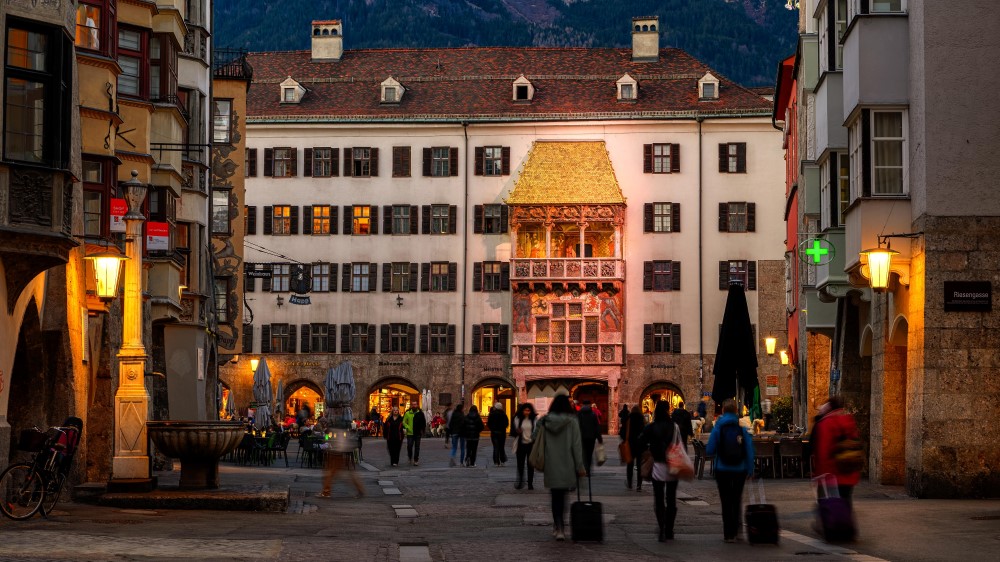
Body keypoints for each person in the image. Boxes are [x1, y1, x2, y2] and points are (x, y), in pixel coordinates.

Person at [532, 394, 586, 541]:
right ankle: (562, 528)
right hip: (567, 463)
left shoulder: (544, 420)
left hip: (551, 462)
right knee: (564, 496)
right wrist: (580, 465)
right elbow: (576, 446)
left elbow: (534, 437)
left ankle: (557, 526)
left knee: (555, 496)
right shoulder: (572, 421)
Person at [705, 399, 755, 543]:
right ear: (736, 412)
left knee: (726, 502)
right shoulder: (742, 427)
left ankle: (729, 534)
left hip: (722, 469)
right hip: (740, 469)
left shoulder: (718, 428)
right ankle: (738, 531)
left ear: (723, 411)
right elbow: (749, 450)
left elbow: (709, 449)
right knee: (736, 499)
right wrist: (750, 469)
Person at [811, 396, 862, 509]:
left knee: (830, 507)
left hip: (832, 474)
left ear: (828, 407)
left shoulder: (825, 424)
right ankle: (846, 523)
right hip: (850, 472)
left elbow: (822, 452)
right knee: (846, 503)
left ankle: (836, 524)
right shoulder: (849, 420)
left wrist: (819, 475)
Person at [640, 401, 679, 542]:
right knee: (671, 498)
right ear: (668, 410)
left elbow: (640, 441)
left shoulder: (651, 427)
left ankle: (661, 528)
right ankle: (670, 529)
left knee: (659, 499)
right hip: (673, 465)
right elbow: (680, 444)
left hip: (658, 465)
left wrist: (649, 449)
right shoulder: (674, 427)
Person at [317, 422, 365, 498]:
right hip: (339, 451)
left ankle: (326, 492)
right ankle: (360, 489)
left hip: (336, 452)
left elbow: (329, 441)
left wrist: (323, 446)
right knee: (341, 473)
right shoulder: (340, 428)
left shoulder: (334, 430)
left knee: (330, 473)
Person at [512, 403, 537, 490]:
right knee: (520, 464)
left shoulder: (533, 419)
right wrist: (517, 432)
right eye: (525, 410)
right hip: (521, 444)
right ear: (522, 411)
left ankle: (530, 483)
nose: (527, 412)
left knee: (531, 465)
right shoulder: (517, 419)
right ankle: (520, 481)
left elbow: (536, 431)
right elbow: (512, 432)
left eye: (529, 410)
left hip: (531, 444)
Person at [577, 400, 603, 476]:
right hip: (591, 437)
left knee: (583, 453)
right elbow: (596, 427)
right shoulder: (593, 414)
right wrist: (599, 438)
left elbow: (577, 426)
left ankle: (583, 469)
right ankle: (588, 470)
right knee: (589, 454)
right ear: (589, 405)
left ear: (582, 405)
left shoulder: (579, 414)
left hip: (582, 437)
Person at [625, 405, 648, 491]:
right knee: (639, 466)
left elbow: (623, 432)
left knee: (630, 465)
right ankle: (639, 485)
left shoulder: (629, 418)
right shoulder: (642, 419)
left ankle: (630, 483)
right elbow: (645, 432)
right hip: (640, 445)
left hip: (630, 444)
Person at [402, 400, 426, 466]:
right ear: (411, 405)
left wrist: (422, 430)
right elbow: (404, 421)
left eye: (415, 404)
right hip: (410, 433)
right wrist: (407, 427)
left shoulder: (420, 413)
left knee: (417, 447)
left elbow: (423, 422)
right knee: (409, 446)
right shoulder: (407, 413)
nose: (414, 406)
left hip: (418, 433)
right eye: (413, 404)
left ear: (417, 405)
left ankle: (416, 460)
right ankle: (410, 457)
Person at [487, 401, 509, 467]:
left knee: (496, 447)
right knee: (501, 447)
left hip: (494, 433)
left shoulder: (492, 414)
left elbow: (489, 424)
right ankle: (502, 461)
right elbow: (506, 423)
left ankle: (496, 462)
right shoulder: (504, 414)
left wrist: (492, 428)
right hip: (502, 433)